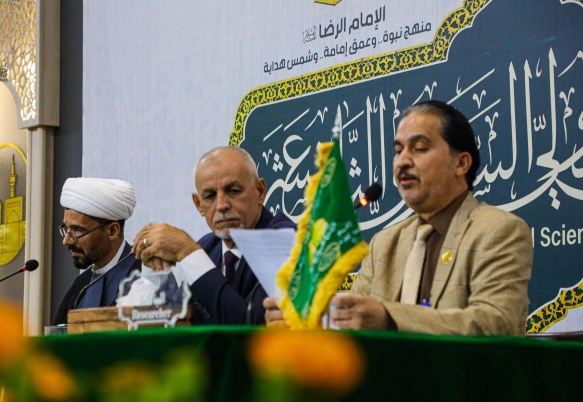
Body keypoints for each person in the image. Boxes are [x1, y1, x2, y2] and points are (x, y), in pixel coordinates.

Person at [265, 100, 533, 335]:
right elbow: (351, 325)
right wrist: (308, 319)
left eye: (419, 148)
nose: (402, 161)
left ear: (461, 163)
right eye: (398, 150)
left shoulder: (498, 230)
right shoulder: (384, 243)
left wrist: (389, 319)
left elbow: (496, 323)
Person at [133, 147, 295, 325]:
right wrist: (152, 273)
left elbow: (250, 326)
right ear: (198, 204)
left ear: (260, 191)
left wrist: (188, 254)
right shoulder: (207, 247)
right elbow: (178, 320)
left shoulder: (287, 241)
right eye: (210, 196)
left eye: (233, 191)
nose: (221, 205)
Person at [53, 177, 142, 325]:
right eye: (66, 229)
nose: (66, 241)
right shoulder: (81, 284)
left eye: (78, 230)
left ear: (112, 231)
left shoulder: (149, 275)